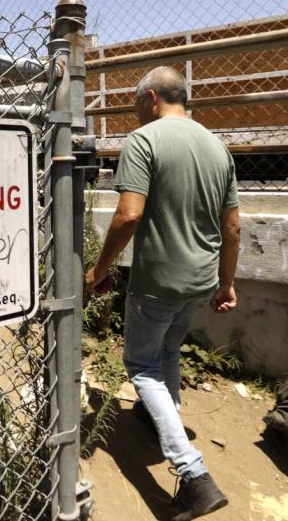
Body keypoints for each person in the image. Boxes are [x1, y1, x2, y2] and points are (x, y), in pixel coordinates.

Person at [85, 66, 241, 521]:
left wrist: (98, 269)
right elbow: (232, 226)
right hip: (201, 281)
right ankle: (161, 423)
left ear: (150, 98)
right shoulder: (217, 146)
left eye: (137, 105)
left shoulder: (144, 140)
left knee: (141, 366)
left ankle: (194, 476)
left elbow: (128, 216)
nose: (136, 114)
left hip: (158, 283)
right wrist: (227, 282)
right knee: (168, 352)